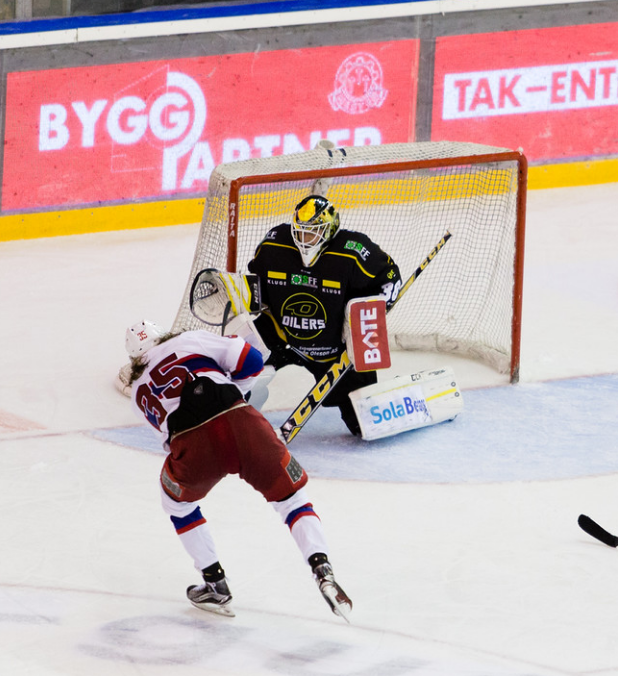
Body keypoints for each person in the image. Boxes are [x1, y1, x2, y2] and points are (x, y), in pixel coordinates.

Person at [125, 319, 352, 621]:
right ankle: (321, 567)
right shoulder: (189, 340)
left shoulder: (137, 393)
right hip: (241, 422)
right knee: (292, 500)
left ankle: (214, 582)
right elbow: (252, 360)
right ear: (161, 334)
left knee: (177, 503)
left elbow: (169, 440)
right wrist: (239, 395)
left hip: (192, 449)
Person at [247, 194, 402, 436]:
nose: (305, 239)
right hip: (283, 340)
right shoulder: (274, 246)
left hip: (336, 353)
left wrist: (362, 321)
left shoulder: (354, 251)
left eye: (313, 232)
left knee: (365, 425)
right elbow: (254, 287)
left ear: (329, 230)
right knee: (240, 362)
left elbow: (390, 280)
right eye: (300, 231)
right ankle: (233, 416)